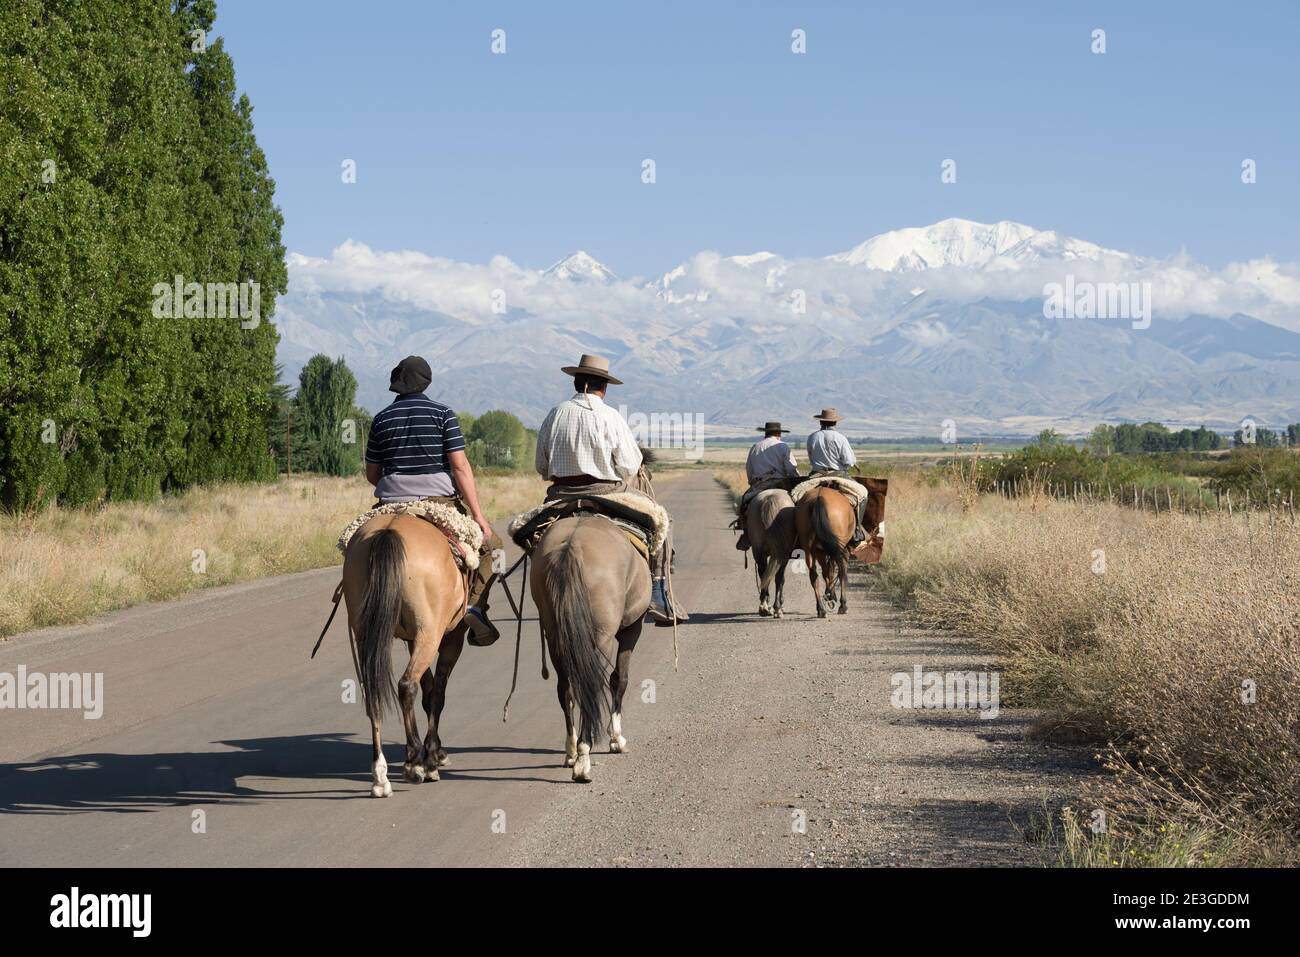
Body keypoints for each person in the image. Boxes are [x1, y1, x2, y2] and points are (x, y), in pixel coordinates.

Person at [534, 353, 687, 625]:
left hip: (559, 495)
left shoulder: (555, 414)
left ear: (576, 382)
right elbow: (629, 466)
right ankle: (658, 593)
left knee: (529, 533)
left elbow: (542, 466)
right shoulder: (610, 416)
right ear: (603, 388)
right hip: (609, 493)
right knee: (663, 519)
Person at [364, 355, 503, 645]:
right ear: (427, 382)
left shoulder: (380, 419)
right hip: (438, 502)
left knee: (356, 544)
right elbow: (461, 467)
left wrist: (396, 487)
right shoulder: (443, 415)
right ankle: (474, 607)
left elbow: (372, 474)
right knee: (492, 546)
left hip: (389, 504)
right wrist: (478, 516)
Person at [805, 406, 868, 545]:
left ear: (821, 422)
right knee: (863, 493)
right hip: (838, 474)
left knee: (795, 496)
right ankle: (857, 530)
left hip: (816, 475)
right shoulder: (840, 438)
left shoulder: (812, 437)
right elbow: (849, 461)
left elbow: (811, 458)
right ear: (835, 422)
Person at [733, 421, 799, 552]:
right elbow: (791, 469)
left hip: (759, 485)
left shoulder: (755, 447)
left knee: (741, 505)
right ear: (779, 433)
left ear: (765, 433)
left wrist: (753, 483)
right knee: (799, 504)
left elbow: (749, 470)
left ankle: (747, 534)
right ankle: (800, 535)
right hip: (781, 484)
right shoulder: (783, 446)